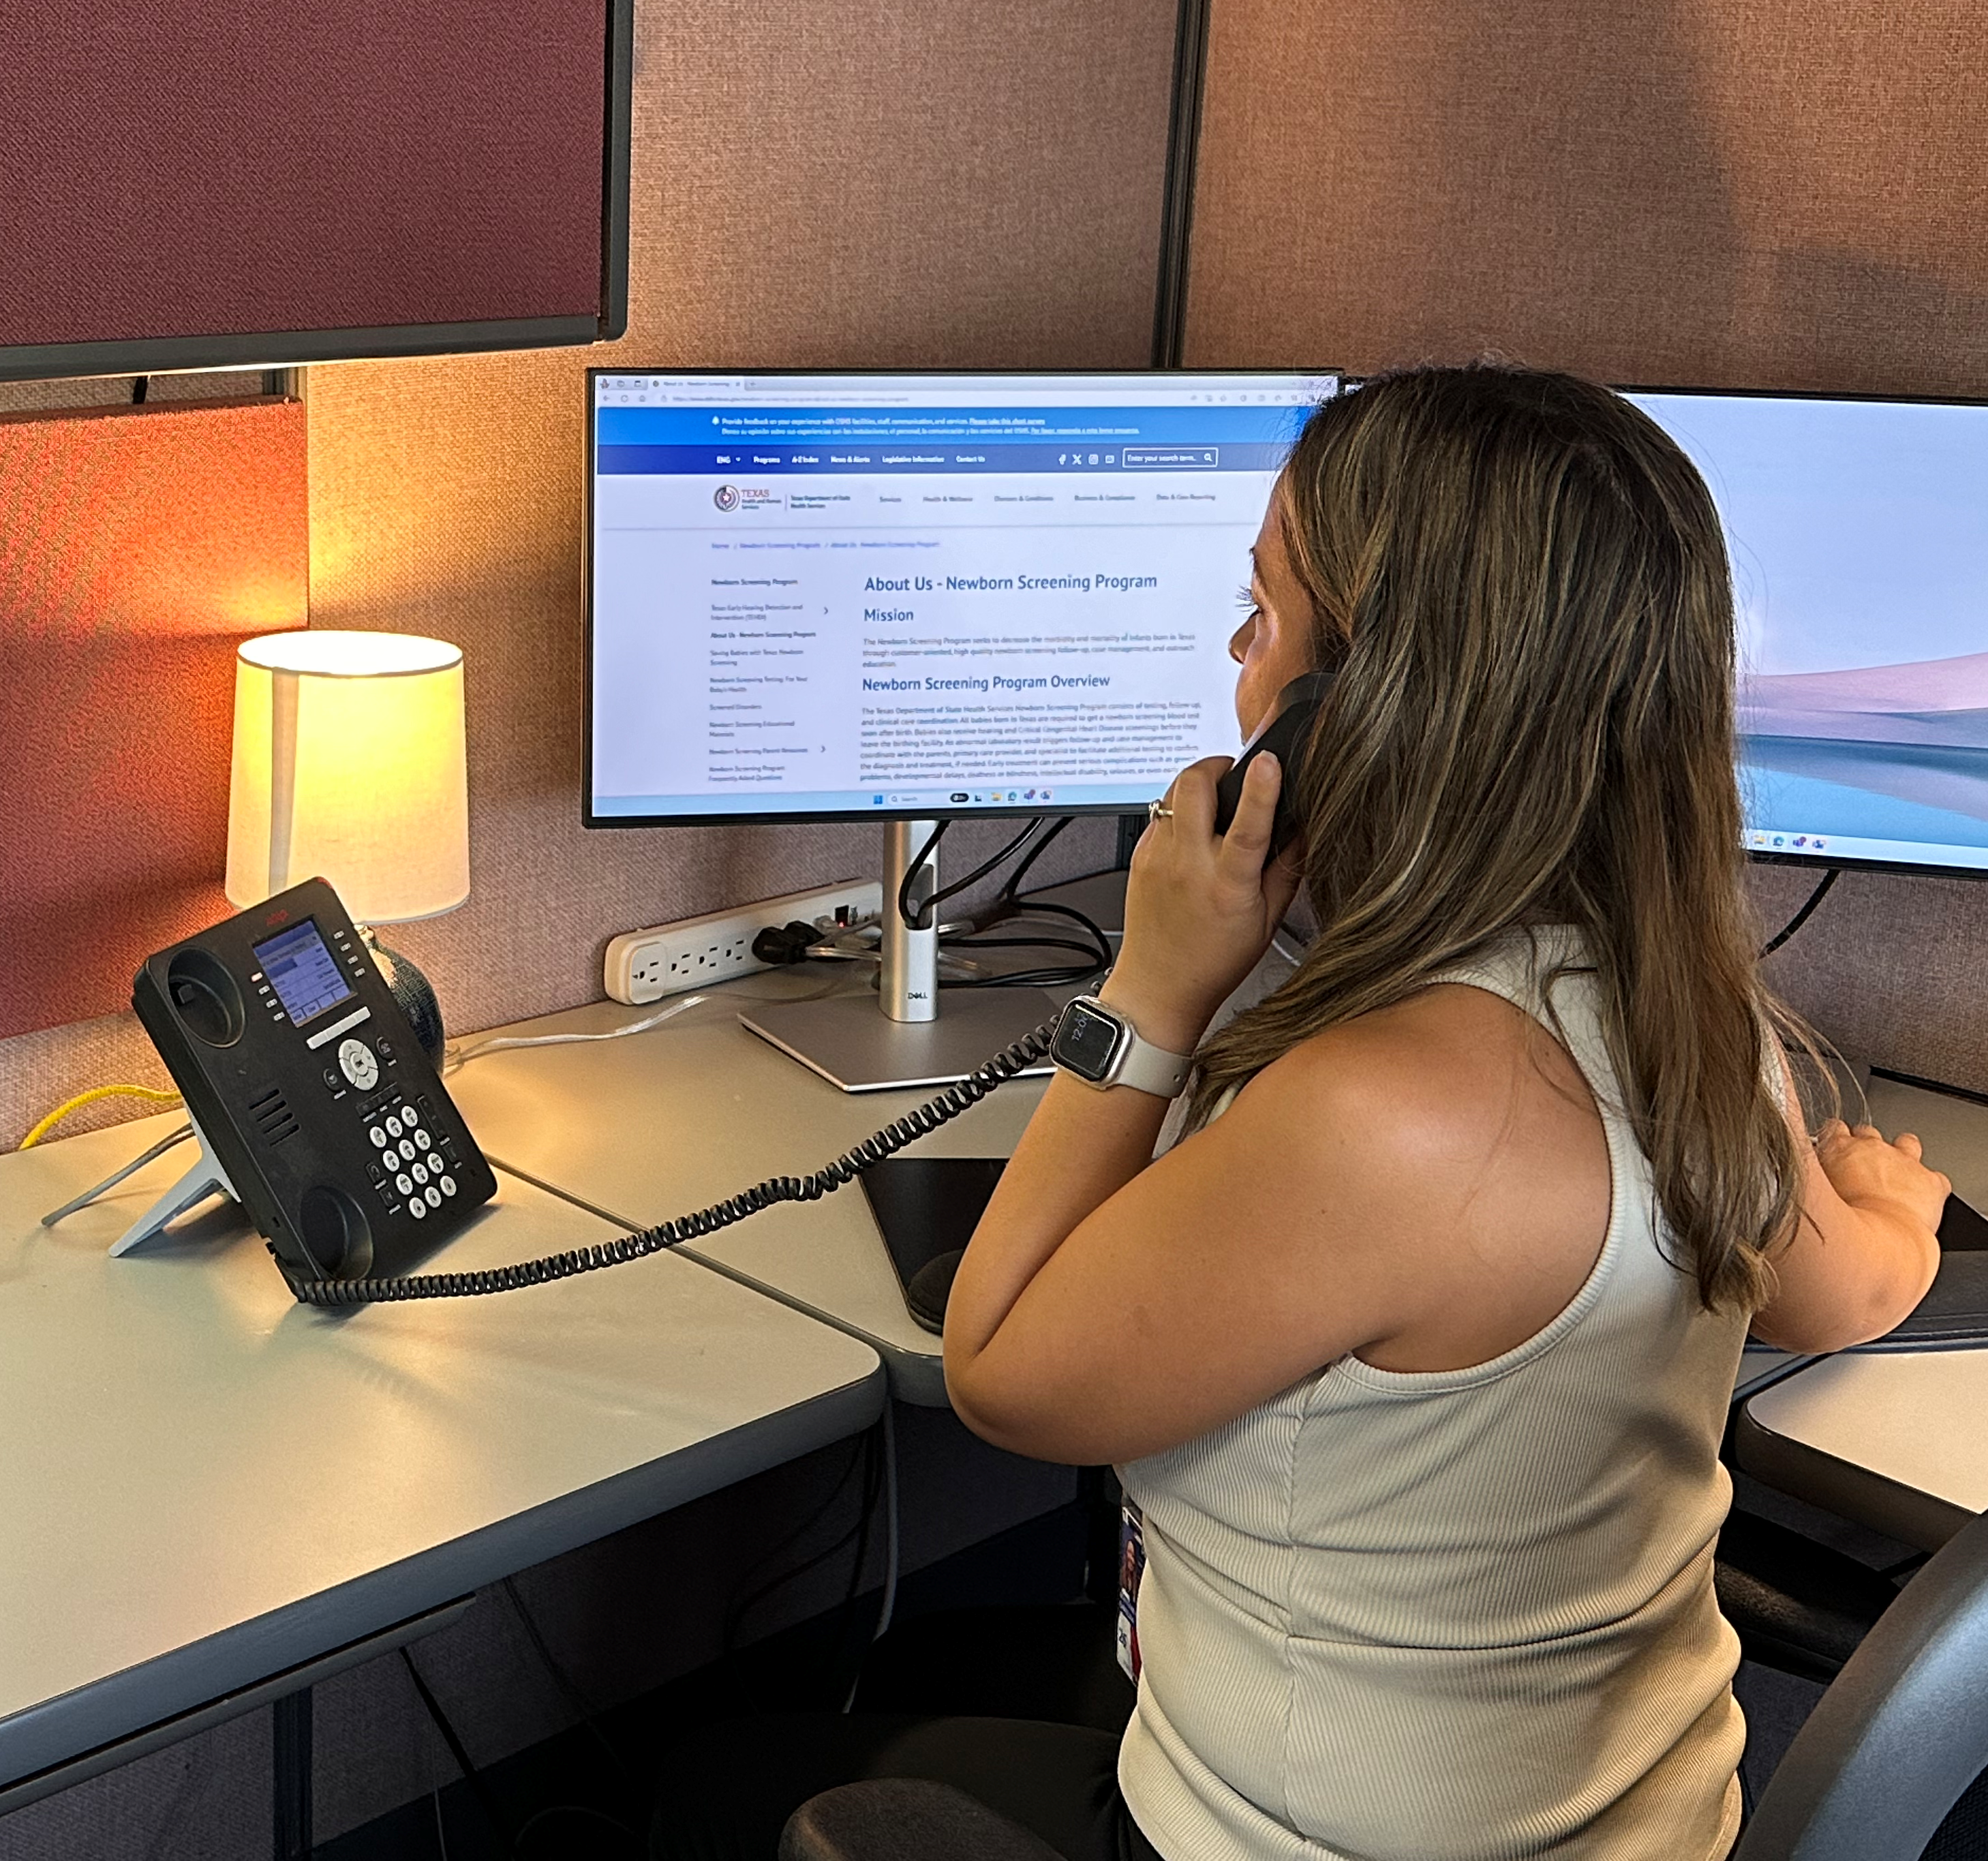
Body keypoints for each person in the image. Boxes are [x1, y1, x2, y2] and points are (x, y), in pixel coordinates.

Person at [653, 363, 1950, 1861]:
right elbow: (1841, 1289)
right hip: (1641, 1826)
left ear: (1359, 706)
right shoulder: (1691, 1013)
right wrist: (1896, 1210)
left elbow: (1000, 1373)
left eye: (1264, 615)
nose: (1234, 652)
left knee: (714, 1791)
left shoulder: (1386, 1115)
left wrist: (1146, 993)